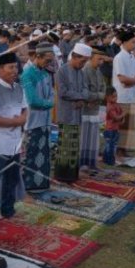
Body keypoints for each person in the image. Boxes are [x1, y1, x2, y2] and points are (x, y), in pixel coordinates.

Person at [0, 52, 28, 227]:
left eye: (16, 67)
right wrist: (17, 121)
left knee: (12, 178)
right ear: (0, 69)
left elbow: (25, 108)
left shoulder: (18, 88)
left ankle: (8, 210)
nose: (14, 71)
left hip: (15, 143)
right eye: (11, 67)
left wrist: (23, 118)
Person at [53, 43, 91, 182]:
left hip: (77, 114)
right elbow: (63, 92)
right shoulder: (62, 71)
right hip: (66, 114)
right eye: (82, 61)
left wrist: (82, 97)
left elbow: (86, 90)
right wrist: (80, 96)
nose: (83, 64)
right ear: (74, 57)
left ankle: (72, 174)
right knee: (65, 146)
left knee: (74, 146)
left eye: (85, 61)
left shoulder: (81, 72)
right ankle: (62, 175)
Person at [20, 43, 55, 192]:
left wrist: (49, 103)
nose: (49, 63)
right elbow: (32, 100)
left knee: (44, 153)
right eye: (47, 60)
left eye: (51, 61)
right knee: (32, 154)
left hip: (45, 121)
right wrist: (49, 104)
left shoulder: (45, 73)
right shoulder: (28, 74)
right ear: (38, 57)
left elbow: (51, 94)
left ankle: (40, 184)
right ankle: (28, 186)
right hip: (33, 121)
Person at [112, 31, 135, 161]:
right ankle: (118, 150)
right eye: (132, 42)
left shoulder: (131, 57)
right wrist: (134, 81)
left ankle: (124, 149)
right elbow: (122, 79)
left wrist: (133, 81)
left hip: (131, 94)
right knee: (121, 124)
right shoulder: (119, 57)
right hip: (121, 95)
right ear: (124, 42)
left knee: (129, 124)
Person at [82, 47, 106, 170]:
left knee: (93, 137)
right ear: (91, 58)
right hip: (85, 109)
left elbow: (103, 89)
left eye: (102, 59)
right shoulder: (85, 70)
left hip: (94, 107)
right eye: (99, 59)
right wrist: (97, 96)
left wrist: (97, 97)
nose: (101, 62)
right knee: (84, 137)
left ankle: (91, 162)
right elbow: (85, 92)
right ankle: (82, 164)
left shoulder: (98, 71)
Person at [102, 87, 124, 166]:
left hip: (115, 129)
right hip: (110, 130)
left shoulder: (116, 105)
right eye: (113, 96)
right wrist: (123, 115)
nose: (115, 98)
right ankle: (110, 161)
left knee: (111, 145)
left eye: (116, 96)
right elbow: (116, 117)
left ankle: (105, 159)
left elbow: (119, 114)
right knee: (110, 147)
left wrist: (122, 117)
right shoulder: (110, 107)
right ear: (107, 97)